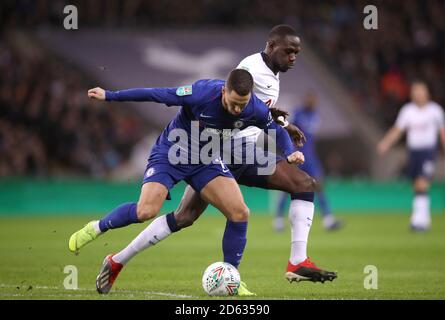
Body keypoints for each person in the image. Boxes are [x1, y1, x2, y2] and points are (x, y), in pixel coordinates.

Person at [70, 25, 337, 293]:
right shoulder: (230, 82)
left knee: (220, 213)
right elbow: (157, 94)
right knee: (149, 211)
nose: (293, 57)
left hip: (215, 153)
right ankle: (102, 233)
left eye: (296, 53)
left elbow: (265, 120)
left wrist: (288, 144)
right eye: (288, 51)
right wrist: (110, 95)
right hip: (194, 150)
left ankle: (240, 273)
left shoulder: (256, 91)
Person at [377, 81, 445, 231]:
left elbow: (442, 132)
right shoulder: (408, 111)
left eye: (421, 91)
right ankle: (423, 218)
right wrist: (385, 143)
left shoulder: (435, 111)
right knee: (416, 184)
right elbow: (398, 129)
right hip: (413, 152)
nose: (418, 94)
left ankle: (419, 220)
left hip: (428, 152)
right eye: (415, 91)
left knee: (422, 182)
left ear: (427, 93)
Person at [274, 92, 343, 232]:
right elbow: (286, 129)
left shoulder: (315, 116)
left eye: (314, 101)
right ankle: (279, 219)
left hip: (311, 157)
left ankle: (328, 219)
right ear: (306, 101)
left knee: (318, 186)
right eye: (310, 100)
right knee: (287, 187)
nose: (312, 103)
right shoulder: (297, 114)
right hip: (298, 156)